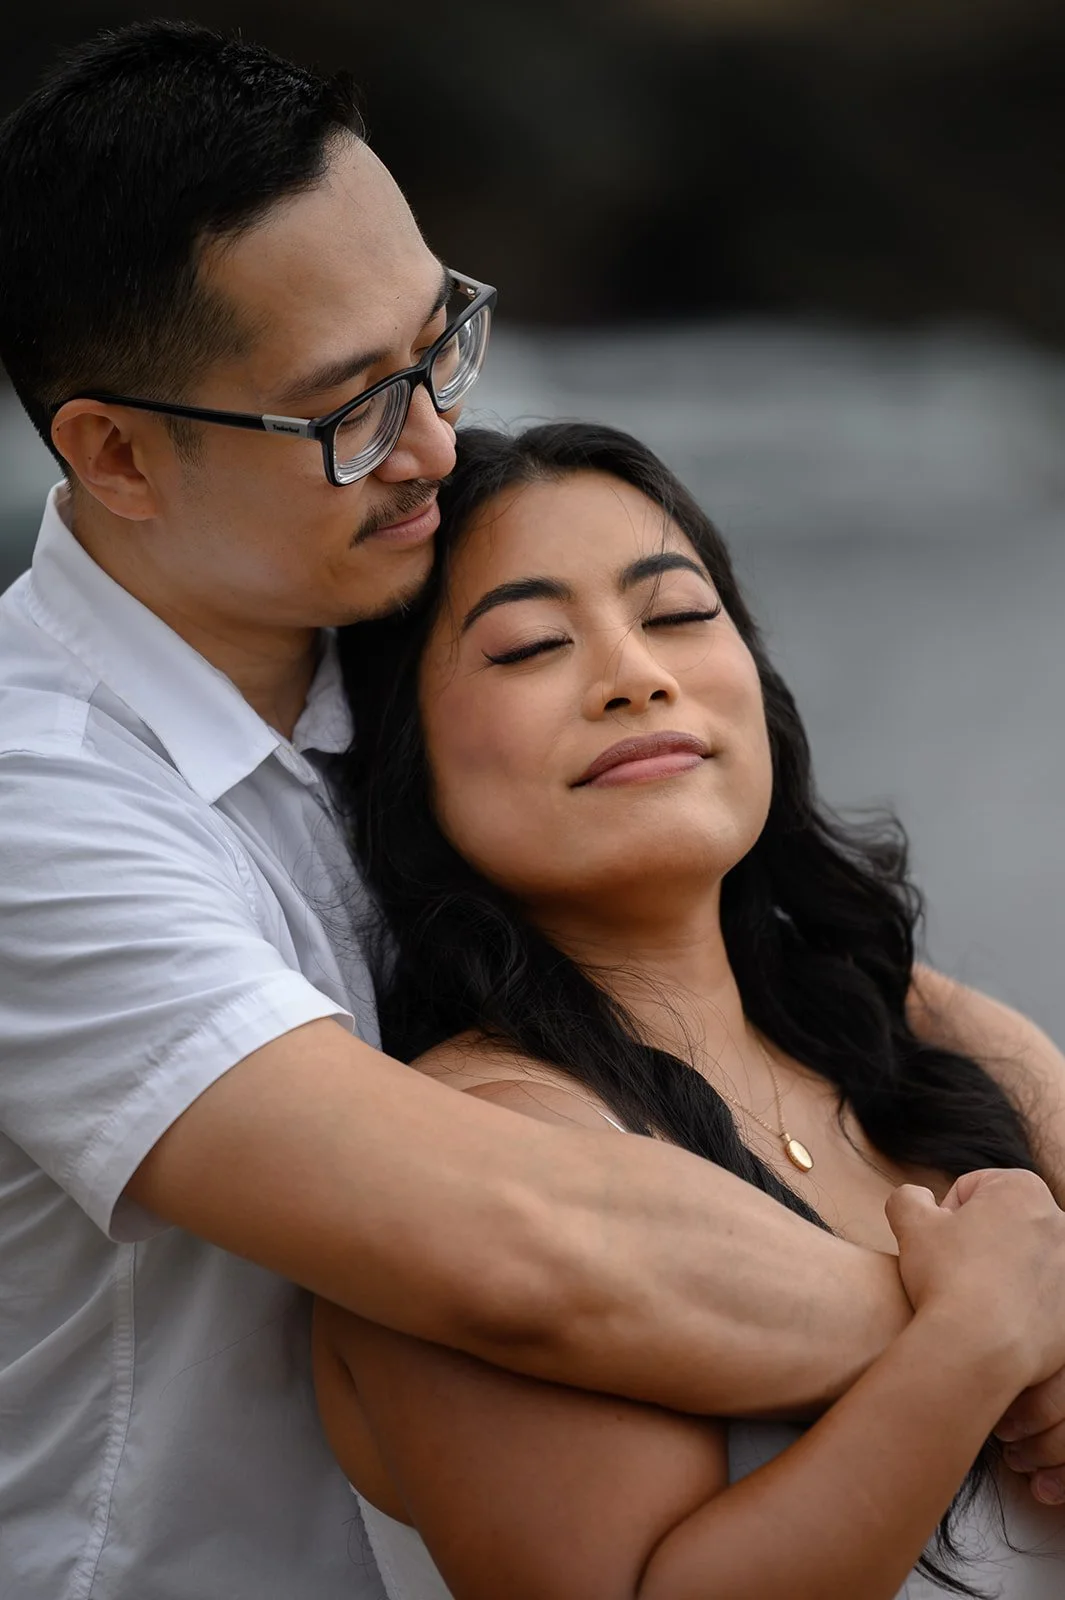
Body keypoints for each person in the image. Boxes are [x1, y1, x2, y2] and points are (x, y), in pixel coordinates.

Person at [0, 21, 1061, 1600]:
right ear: (117, 456)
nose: (431, 442)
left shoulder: (367, 645)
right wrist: (989, 1338)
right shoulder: (41, 807)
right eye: (349, 406)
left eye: (442, 343)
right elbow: (521, 1248)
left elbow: (785, 944)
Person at [317, 421, 1065, 1598]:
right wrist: (973, 1348)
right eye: (528, 646)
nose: (635, 673)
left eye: (676, 615)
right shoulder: (472, 1155)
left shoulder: (914, 1033)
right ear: (403, 755)